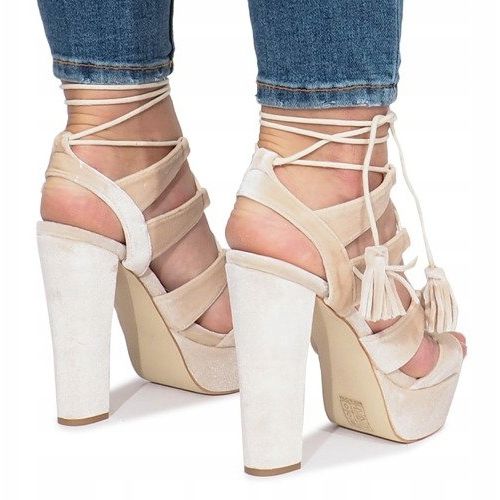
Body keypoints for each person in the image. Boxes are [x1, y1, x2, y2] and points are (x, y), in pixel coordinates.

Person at [36, 0, 466, 475]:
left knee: (111, 110)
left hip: (80, 179)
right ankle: (322, 178)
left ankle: (111, 145)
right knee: (319, 149)